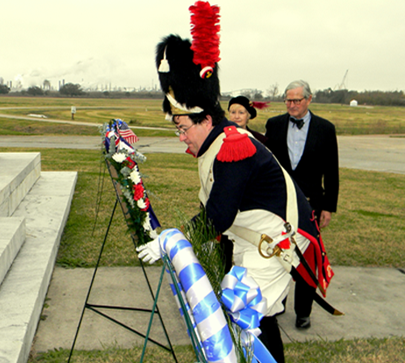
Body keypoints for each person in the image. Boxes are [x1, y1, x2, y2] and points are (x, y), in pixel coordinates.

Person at [138, 33, 333, 363]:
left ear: (207, 120)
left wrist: (173, 240)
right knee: (246, 314)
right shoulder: (218, 142)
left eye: (183, 127)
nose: (181, 136)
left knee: (254, 314)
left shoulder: (232, 147)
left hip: (273, 244)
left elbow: (218, 215)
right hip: (252, 240)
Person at [265, 80, 339, 329]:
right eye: (288, 100)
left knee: (307, 259)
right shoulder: (274, 125)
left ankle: (303, 312)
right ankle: (278, 302)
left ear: (309, 99)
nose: (292, 105)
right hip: (279, 204)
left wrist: (328, 206)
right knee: (280, 254)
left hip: (311, 205)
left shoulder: (325, 129)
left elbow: (332, 171)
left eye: (297, 100)